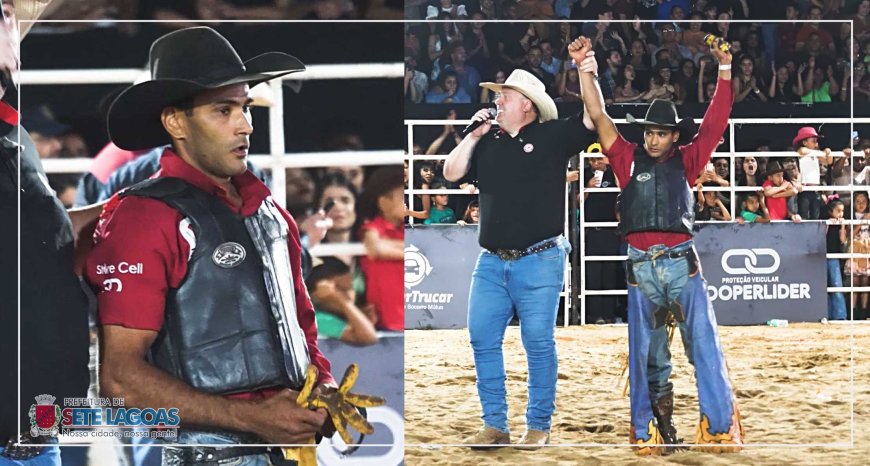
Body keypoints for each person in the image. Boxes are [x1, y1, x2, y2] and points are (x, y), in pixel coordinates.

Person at [84, 27, 336, 464]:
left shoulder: (271, 213)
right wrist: (254, 419)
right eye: (223, 110)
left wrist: (324, 388)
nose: (245, 125)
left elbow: (300, 326)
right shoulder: (143, 216)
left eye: (245, 107)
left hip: (285, 449)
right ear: (175, 122)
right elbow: (121, 380)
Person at [576, 34, 744, 455]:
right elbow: (597, 114)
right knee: (648, 356)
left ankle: (717, 428)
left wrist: (725, 68)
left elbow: (716, 121)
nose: (653, 140)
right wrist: (583, 68)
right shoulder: (625, 156)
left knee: (701, 346)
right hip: (647, 268)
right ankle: (656, 430)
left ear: (673, 136)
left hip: (676, 265)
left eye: (661, 134)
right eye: (650, 133)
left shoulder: (688, 159)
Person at [443, 63, 596, 448]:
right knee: (481, 338)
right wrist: (473, 135)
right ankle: (495, 425)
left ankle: (538, 425)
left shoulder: (553, 135)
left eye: (505, 96)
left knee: (538, 342)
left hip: (540, 258)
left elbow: (593, 118)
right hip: (492, 260)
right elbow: (451, 172)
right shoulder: (487, 141)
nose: (497, 101)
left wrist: (586, 71)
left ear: (526, 104)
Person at [0, 1, 90, 464]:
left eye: (7, 14)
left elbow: (39, 240)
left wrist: (126, 210)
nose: (9, 27)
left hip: (33, 428)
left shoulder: (14, 135)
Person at [357, 167, 405, 331]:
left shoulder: (408, 228)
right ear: (383, 201)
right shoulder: (372, 228)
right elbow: (375, 248)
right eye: (404, 197)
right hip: (386, 322)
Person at [793, 127, 833, 220]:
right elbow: (802, 151)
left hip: (816, 188)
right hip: (805, 188)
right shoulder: (803, 151)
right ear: (804, 142)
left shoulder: (816, 154)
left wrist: (828, 152)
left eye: (816, 141)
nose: (816, 143)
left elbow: (829, 162)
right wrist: (819, 152)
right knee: (804, 215)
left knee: (815, 215)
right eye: (813, 141)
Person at [825, 198, 848, 321]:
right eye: (838, 211)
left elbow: (843, 240)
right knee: (823, 285)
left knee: (836, 285)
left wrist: (843, 225)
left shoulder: (841, 224)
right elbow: (821, 236)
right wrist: (828, 224)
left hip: (834, 256)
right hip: (823, 256)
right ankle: (826, 313)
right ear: (831, 211)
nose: (841, 214)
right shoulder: (825, 221)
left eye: (842, 211)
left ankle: (840, 315)